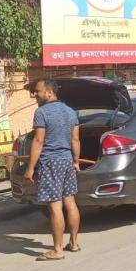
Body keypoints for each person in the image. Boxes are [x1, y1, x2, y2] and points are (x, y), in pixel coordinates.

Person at [24, 79, 81, 261]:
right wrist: (76, 161)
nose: (35, 94)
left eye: (38, 91)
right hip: (66, 161)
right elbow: (75, 140)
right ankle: (73, 243)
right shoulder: (71, 112)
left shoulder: (41, 112)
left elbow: (39, 141)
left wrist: (30, 168)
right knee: (70, 203)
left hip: (50, 162)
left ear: (49, 92)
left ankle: (57, 250)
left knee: (55, 207)